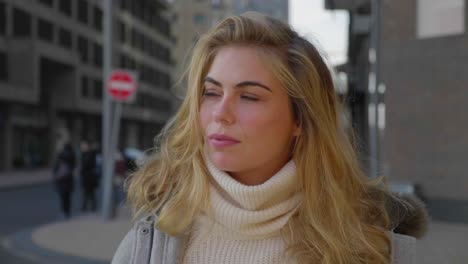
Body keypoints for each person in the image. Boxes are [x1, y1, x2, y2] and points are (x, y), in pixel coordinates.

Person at [112, 13, 428, 264]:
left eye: (249, 96)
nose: (221, 113)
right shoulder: (152, 236)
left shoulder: (368, 244)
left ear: (300, 119)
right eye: (210, 93)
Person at [52, 142, 76, 219]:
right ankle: (67, 211)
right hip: (68, 179)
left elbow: (55, 168)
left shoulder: (61, 156)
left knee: (63, 197)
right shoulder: (72, 156)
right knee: (67, 197)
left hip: (62, 180)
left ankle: (64, 212)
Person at [80, 140, 99, 212]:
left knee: (89, 192)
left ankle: (89, 206)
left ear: (87, 146)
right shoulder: (84, 154)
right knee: (88, 192)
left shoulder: (90, 155)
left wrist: (81, 170)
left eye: (83, 146)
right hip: (87, 177)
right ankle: (87, 206)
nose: (82, 147)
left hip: (89, 177)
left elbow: (86, 165)